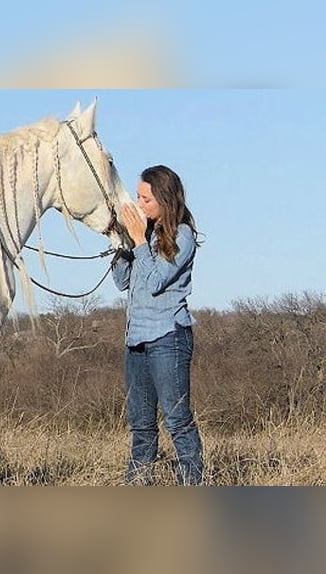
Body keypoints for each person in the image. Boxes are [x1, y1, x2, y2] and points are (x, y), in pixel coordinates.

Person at [112, 164, 204, 485]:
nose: (139, 205)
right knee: (141, 425)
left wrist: (138, 241)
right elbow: (122, 282)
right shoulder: (143, 237)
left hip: (168, 338)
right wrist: (123, 243)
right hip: (135, 340)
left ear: (165, 199)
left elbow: (155, 282)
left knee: (178, 421)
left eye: (146, 199)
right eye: (138, 198)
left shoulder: (183, 235)